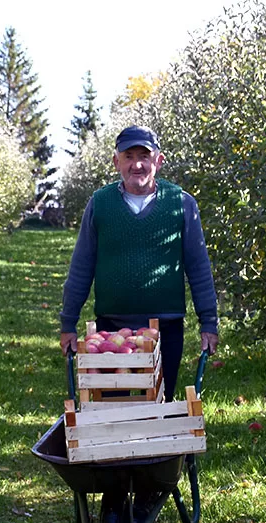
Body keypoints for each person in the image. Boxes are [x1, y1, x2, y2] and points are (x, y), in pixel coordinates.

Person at [59, 125, 219, 402]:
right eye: (129, 156)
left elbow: (199, 268)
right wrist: (68, 323)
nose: (137, 164)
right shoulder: (100, 203)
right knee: (112, 406)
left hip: (165, 329)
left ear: (159, 160)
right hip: (110, 328)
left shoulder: (181, 203)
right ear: (116, 162)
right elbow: (82, 266)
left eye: (144, 156)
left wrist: (209, 322)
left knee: (159, 404)